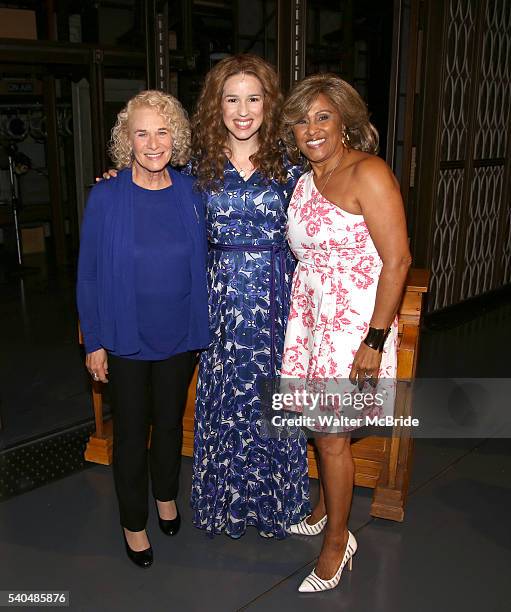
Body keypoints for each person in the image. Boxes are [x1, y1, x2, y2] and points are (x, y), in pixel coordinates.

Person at [279, 74, 411, 591]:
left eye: (322, 116)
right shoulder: (305, 178)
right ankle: (322, 508)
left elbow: (398, 261)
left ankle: (338, 540)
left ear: (345, 122)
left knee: (331, 437)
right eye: (300, 120)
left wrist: (374, 340)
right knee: (323, 431)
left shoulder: (369, 173)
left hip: (354, 326)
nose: (311, 128)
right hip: (312, 321)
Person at [77, 90, 209, 568]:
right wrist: (94, 341)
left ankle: (167, 496)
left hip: (180, 336)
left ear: (176, 136)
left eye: (162, 131)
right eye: (141, 132)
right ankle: (134, 523)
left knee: (171, 424)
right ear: (125, 140)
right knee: (131, 433)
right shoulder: (107, 194)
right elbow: (88, 274)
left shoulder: (194, 192)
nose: (153, 143)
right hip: (126, 338)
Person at [189, 54, 310, 538]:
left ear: (269, 104)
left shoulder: (294, 165)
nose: (243, 110)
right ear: (215, 105)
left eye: (254, 98)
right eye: (232, 98)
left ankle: (276, 504)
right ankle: (224, 503)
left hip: (277, 302)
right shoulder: (195, 166)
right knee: (223, 401)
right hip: (218, 303)